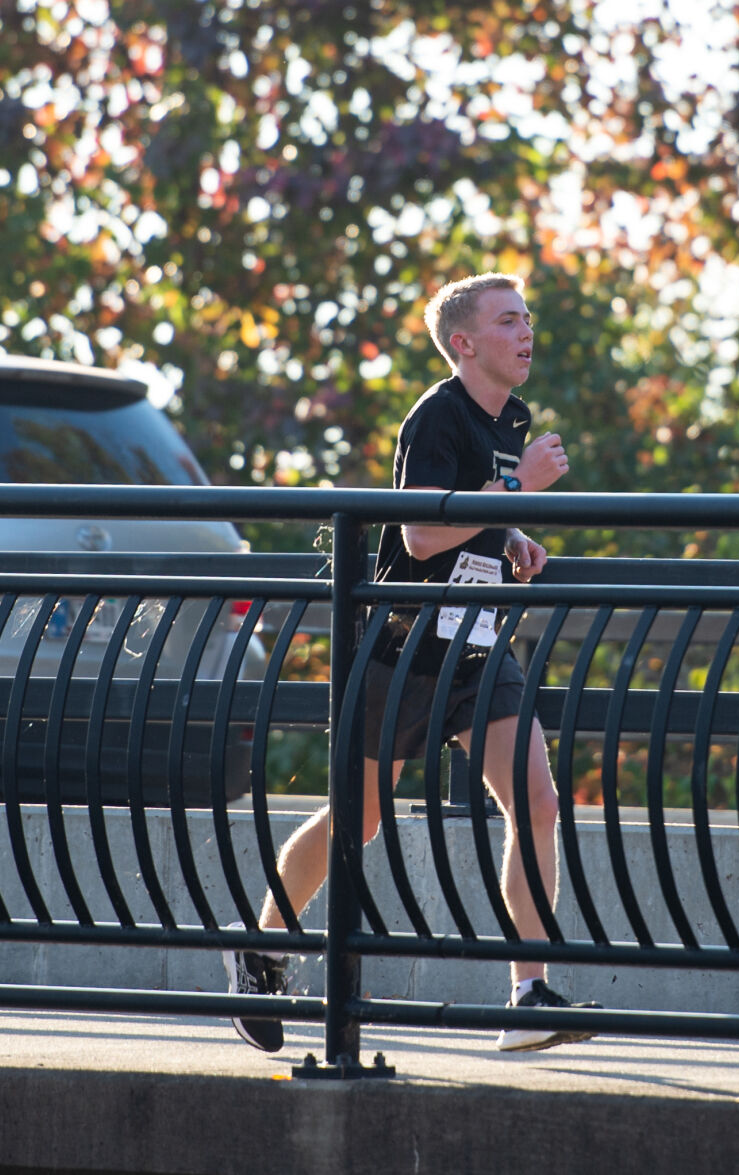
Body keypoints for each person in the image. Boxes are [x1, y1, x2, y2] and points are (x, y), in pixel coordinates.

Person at [224, 272, 599, 1054]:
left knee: (535, 799)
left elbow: (470, 523)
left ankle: (527, 993)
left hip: (477, 643)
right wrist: (515, 489)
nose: (525, 332)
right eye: (507, 321)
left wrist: (510, 537)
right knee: (356, 818)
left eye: (527, 318)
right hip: (405, 648)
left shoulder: (513, 417)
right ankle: (261, 948)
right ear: (464, 343)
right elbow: (422, 536)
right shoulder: (437, 416)